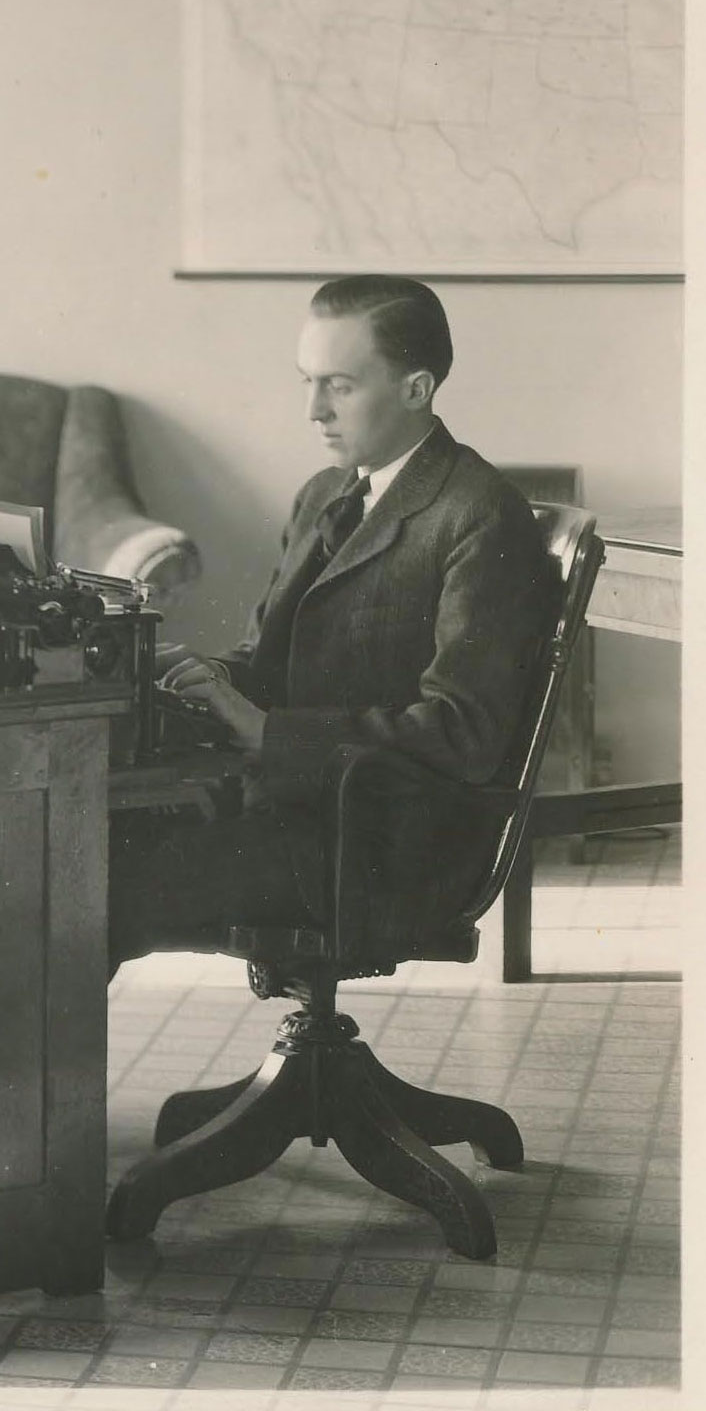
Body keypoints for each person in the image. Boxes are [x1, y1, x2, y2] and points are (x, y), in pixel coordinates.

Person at [111, 277, 558, 971]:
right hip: (299, 812)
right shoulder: (326, 492)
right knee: (76, 851)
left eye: (340, 386)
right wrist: (201, 677)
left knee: (95, 886)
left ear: (416, 388)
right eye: (307, 381)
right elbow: (266, 659)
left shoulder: (478, 515)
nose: (313, 410)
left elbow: (463, 734)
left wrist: (269, 732)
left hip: (388, 845)